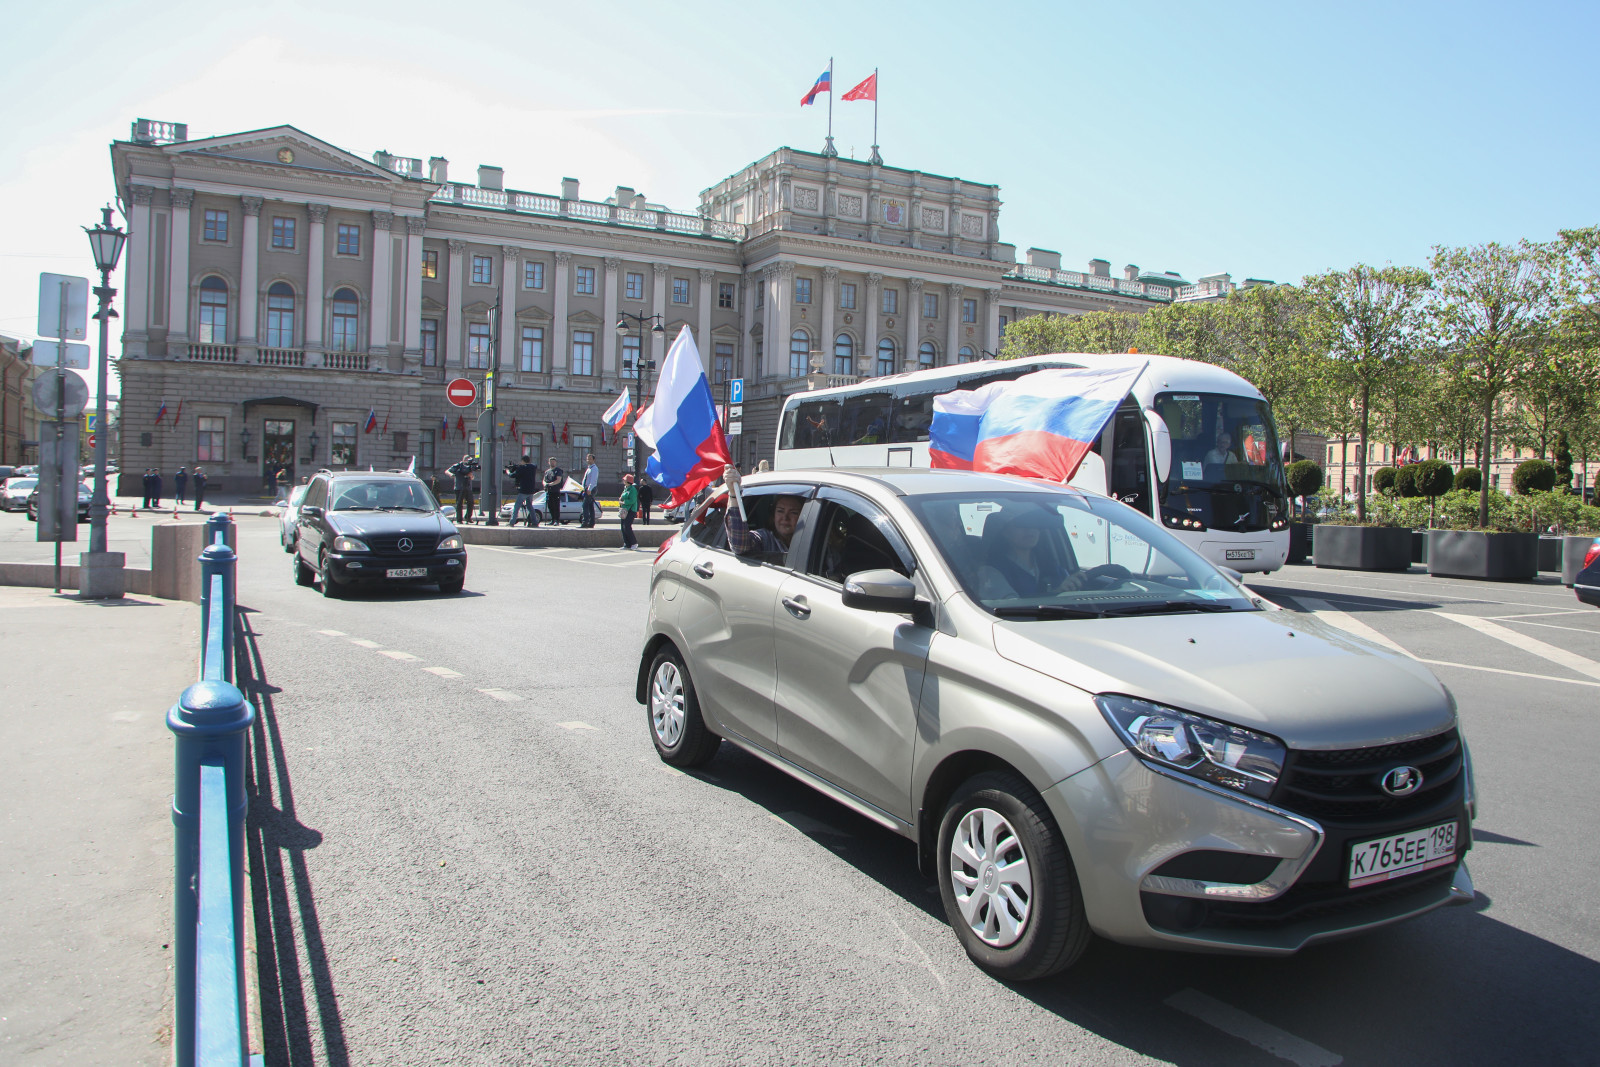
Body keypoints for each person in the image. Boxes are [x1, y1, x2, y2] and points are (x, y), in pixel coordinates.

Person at [977, 508, 1087, 600]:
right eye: (1021, 523)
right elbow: (1012, 611)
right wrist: (1056, 593)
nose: (1030, 530)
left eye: (1035, 524)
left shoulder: (1053, 566)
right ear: (1004, 531)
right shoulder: (991, 571)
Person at [721, 465, 802, 558]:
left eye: (793, 512)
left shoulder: (812, 540)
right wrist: (733, 493)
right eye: (780, 511)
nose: (785, 517)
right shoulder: (765, 539)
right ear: (773, 515)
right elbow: (740, 546)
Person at [507, 453, 542, 526]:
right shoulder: (533, 467)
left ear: (523, 461)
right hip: (531, 490)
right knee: (530, 506)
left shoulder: (522, 468)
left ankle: (512, 522)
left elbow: (513, 475)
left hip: (523, 490)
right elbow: (532, 465)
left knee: (517, 506)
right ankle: (535, 522)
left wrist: (508, 472)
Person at [447, 453, 478, 522]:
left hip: (468, 487)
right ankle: (459, 519)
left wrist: (471, 476)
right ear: (463, 460)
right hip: (459, 487)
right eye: (466, 460)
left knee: (471, 502)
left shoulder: (470, 467)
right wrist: (451, 475)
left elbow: (472, 478)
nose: (467, 462)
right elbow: (447, 471)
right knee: (459, 503)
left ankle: (468, 517)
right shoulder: (458, 466)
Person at [542, 456, 566, 525]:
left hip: (555, 491)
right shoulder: (547, 471)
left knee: (556, 506)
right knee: (550, 506)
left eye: (553, 462)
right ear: (548, 463)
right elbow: (544, 480)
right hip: (549, 491)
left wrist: (550, 484)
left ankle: (556, 520)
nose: (552, 463)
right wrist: (545, 484)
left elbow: (558, 480)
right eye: (551, 462)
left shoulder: (558, 470)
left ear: (556, 463)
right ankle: (552, 519)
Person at [618, 473, 639, 549]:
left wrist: (624, 502)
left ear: (628, 481)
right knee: (623, 527)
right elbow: (622, 497)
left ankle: (634, 543)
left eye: (625, 480)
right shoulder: (626, 488)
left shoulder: (632, 489)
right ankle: (627, 544)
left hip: (631, 510)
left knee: (627, 526)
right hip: (624, 510)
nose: (623, 481)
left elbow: (632, 500)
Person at [580, 453, 600, 527]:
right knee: (590, 506)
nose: (588, 460)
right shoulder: (589, 468)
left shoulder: (594, 469)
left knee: (585, 505)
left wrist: (589, 489)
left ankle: (585, 522)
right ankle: (591, 523)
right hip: (587, 489)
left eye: (590, 459)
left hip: (591, 489)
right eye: (587, 459)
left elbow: (593, 480)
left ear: (594, 460)